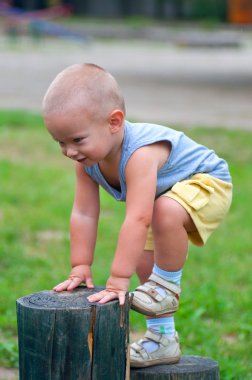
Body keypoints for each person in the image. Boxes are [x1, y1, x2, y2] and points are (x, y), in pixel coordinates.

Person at [42, 63, 232, 368]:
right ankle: (162, 339)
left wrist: (118, 280)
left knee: (163, 213)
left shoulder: (139, 154)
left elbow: (138, 218)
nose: (69, 151)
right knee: (145, 257)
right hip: (165, 198)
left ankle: (167, 286)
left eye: (77, 140)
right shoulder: (87, 162)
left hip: (208, 181)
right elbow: (84, 214)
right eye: (60, 142)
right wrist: (80, 265)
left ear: (114, 122)